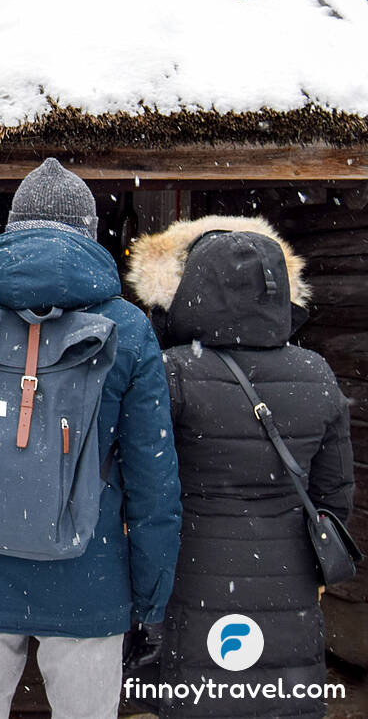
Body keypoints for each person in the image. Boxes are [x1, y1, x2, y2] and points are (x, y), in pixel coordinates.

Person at [0, 157, 182, 719]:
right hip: (88, 582)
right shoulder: (130, 328)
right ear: (90, 235)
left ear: (10, 229)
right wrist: (150, 603)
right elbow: (154, 488)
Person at [127, 217, 355, 718]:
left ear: (194, 289)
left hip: (192, 574)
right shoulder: (316, 373)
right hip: (288, 579)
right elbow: (336, 495)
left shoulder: (170, 372)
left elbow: (145, 485)